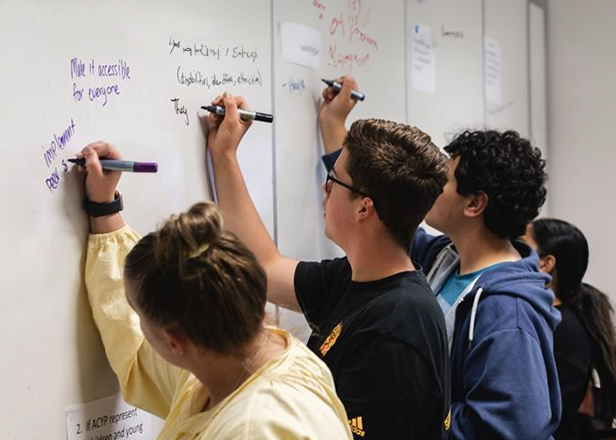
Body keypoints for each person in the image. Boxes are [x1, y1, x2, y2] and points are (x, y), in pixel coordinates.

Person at [319, 77, 561, 439]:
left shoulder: (508, 312)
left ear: (474, 204)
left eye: (444, 180)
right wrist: (334, 124)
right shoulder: (443, 258)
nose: (431, 183)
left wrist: (421, 420)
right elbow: (372, 196)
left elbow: (514, 428)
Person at [206, 92, 451, 439]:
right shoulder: (357, 277)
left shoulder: (395, 326)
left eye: (333, 180)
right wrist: (225, 155)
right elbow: (264, 267)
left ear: (364, 208)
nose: (324, 187)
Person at [78, 141, 352, 440]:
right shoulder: (233, 359)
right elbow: (137, 349)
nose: (140, 328)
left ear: (174, 341)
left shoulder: (255, 430)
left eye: (141, 317)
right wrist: (104, 208)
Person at [523, 218, 616, 440]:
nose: (512, 252)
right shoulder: (549, 318)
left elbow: (540, 411)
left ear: (545, 264)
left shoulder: (565, 328)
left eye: (521, 245)